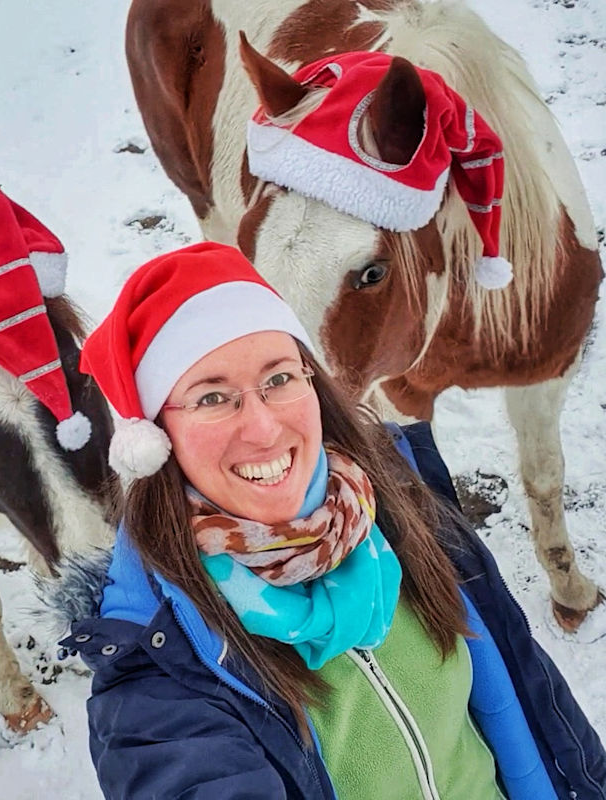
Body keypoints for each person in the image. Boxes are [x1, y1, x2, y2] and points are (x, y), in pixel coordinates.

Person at [57, 242, 605, 799]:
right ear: (155, 437)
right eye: (213, 397)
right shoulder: (159, 673)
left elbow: (531, 694)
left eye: (279, 379)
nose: (265, 430)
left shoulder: (400, 502)